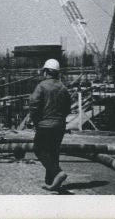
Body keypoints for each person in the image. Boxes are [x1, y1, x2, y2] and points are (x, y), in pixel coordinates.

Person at [28, 58, 72, 191]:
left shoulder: (41, 86)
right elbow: (67, 108)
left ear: (46, 72)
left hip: (45, 125)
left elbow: (34, 105)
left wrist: (35, 121)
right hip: (59, 125)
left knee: (39, 149)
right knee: (53, 151)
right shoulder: (63, 88)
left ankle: (58, 173)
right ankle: (51, 181)